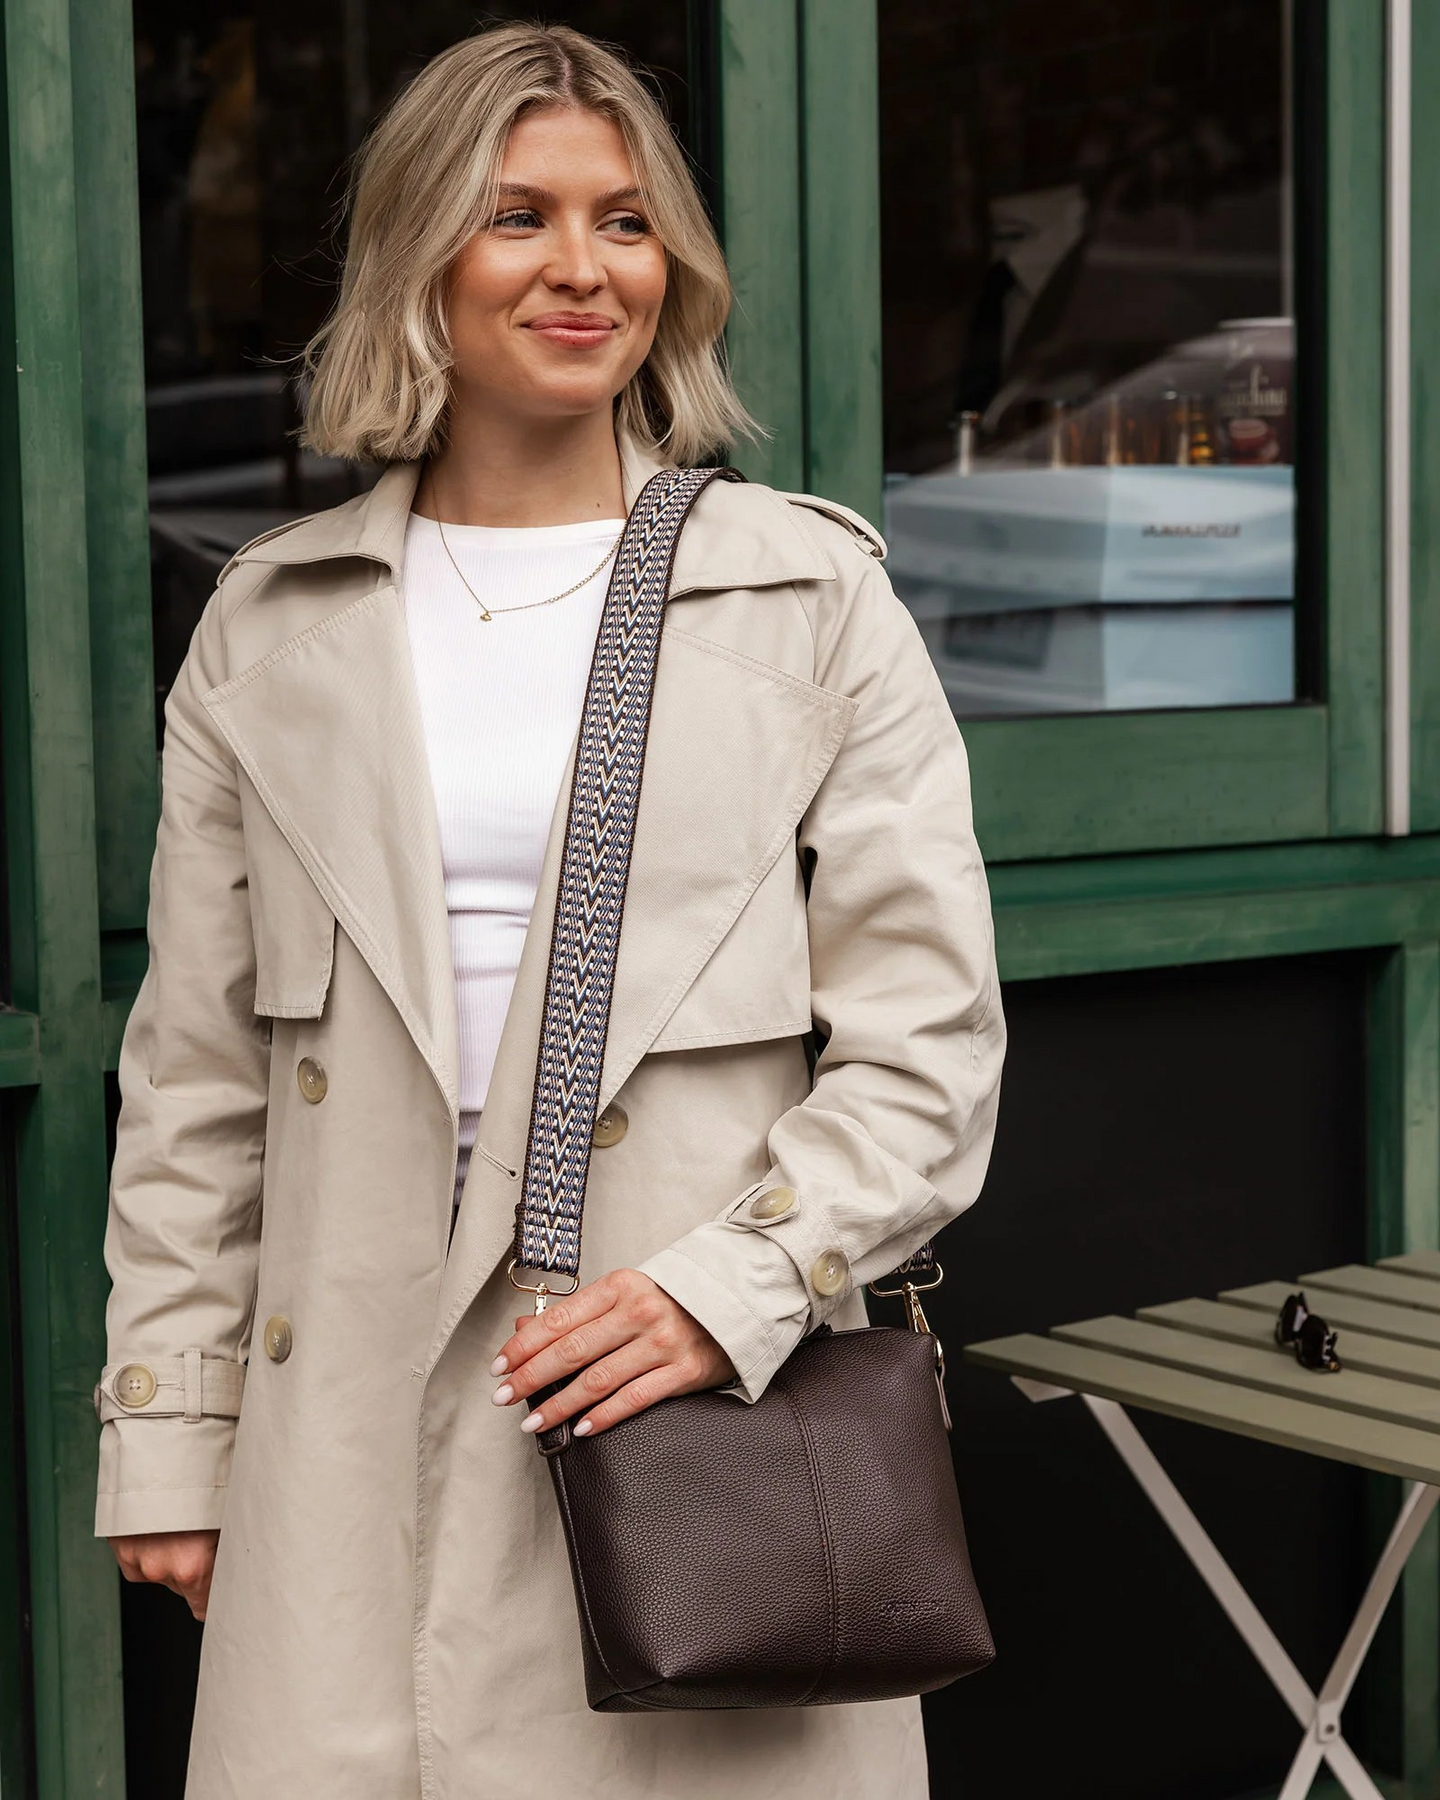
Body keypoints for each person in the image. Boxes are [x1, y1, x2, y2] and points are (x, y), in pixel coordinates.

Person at [95, 21, 1005, 1799]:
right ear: (419, 256)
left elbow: (929, 1050)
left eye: (626, 220)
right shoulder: (270, 626)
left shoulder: (807, 603)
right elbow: (193, 1080)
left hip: (684, 1430)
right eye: (518, 215)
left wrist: (735, 1286)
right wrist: (173, 1433)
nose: (584, 268)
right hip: (342, 1461)